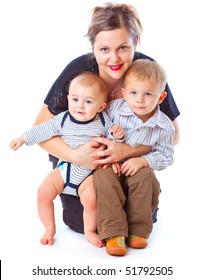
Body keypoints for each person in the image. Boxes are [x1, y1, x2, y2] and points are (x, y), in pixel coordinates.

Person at [32, 3, 180, 245]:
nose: (114, 58)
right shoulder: (79, 72)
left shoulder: (146, 72)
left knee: (139, 220)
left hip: (130, 166)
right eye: (104, 49)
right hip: (79, 166)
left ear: (136, 42)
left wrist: (129, 151)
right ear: (93, 47)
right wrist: (76, 156)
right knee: (86, 224)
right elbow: (41, 129)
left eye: (123, 47)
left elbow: (173, 136)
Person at [9, 72, 125, 247]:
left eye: (88, 101)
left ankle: (89, 231)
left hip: (88, 175)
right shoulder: (62, 119)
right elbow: (43, 130)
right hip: (65, 170)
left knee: (91, 201)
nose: (80, 106)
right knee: (43, 193)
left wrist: (118, 136)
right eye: (75, 99)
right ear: (69, 98)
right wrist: (23, 139)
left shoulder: (103, 120)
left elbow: (113, 142)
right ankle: (49, 228)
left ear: (101, 107)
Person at [94, 58, 175, 256]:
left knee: (145, 178)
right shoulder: (115, 110)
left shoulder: (164, 126)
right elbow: (99, 131)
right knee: (103, 178)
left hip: (139, 168)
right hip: (112, 164)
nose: (140, 100)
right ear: (124, 93)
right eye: (133, 93)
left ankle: (137, 231)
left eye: (148, 94)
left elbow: (166, 155)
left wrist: (144, 160)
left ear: (161, 97)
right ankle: (114, 233)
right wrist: (112, 139)